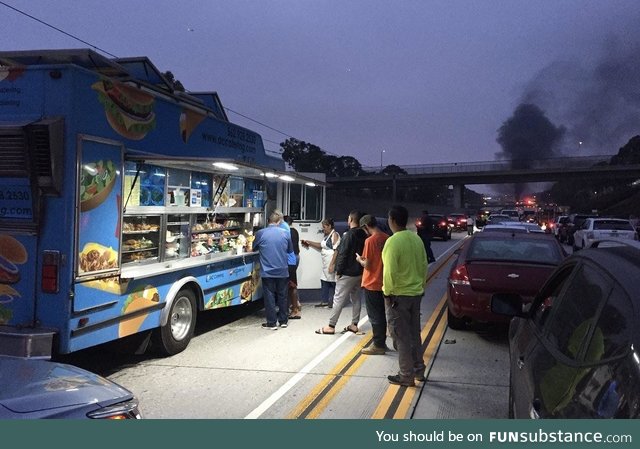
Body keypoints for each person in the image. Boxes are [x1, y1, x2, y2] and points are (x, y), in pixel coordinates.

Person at [383, 205, 428, 387]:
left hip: (398, 295)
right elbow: (424, 265)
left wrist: (387, 293)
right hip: (416, 294)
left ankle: (405, 375)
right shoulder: (416, 240)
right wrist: (420, 286)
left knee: (400, 336)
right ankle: (419, 370)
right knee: (414, 333)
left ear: (392, 220)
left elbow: (390, 271)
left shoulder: (393, 241)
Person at [315, 210, 366, 335]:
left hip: (347, 272)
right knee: (356, 298)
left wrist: (339, 270)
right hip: (359, 271)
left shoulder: (348, 235)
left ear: (350, 219)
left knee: (338, 298)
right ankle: (354, 324)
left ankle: (331, 326)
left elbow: (343, 254)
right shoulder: (364, 235)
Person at [253, 211, 293, 330]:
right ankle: (283, 320)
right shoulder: (286, 234)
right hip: (282, 270)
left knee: (269, 296)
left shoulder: (261, 233)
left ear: (268, 221)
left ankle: (271, 323)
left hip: (268, 271)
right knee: (283, 295)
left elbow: (253, 247)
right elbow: (290, 251)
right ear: (279, 221)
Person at [356, 215, 390, 355]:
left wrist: (359, 260)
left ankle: (378, 344)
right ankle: (383, 342)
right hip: (385, 282)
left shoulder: (370, 241)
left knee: (375, 316)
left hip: (372, 282)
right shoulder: (387, 238)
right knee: (383, 314)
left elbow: (368, 265)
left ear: (365, 227)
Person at [301, 218, 340, 309]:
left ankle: (335, 301)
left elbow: (336, 251)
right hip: (325, 262)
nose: (323, 229)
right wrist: (309, 243)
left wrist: (332, 264)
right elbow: (321, 246)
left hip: (331, 261)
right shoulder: (326, 236)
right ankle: (325, 301)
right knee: (324, 280)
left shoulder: (334, 235)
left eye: (324, 227)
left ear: (330, 226)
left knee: (334, 282)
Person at [283, 216, 302, 319]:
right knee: (293, 282)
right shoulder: (295, 231)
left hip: (290, 259)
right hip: (296, 256)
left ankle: (294, 307)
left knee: (290, 283)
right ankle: (296, 304)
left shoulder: (286, 232)